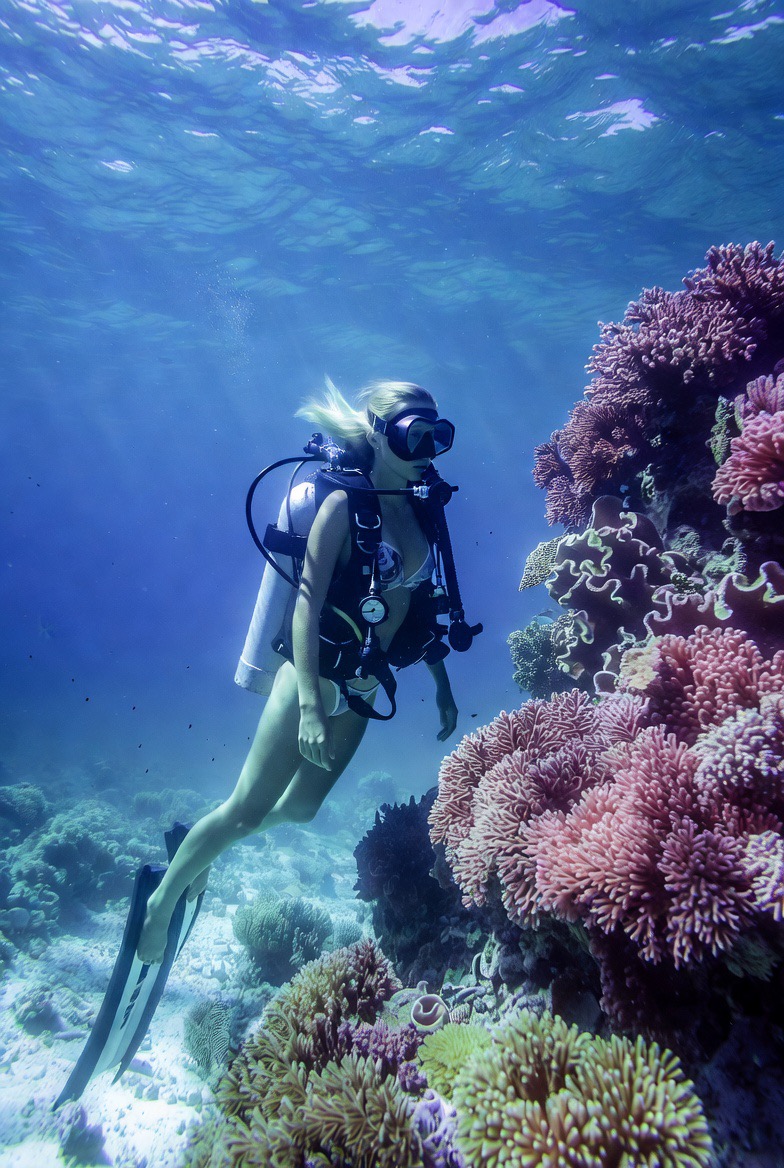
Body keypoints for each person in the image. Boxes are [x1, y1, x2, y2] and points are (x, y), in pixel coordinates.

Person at [137, 380, 460, 963]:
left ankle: (202, 848)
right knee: (245, 808)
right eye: (415, 434)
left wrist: (441, 685)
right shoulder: (343, 504)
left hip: (366, 683)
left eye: (438, 435)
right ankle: (163, 901)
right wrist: (310, 701)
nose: (428, 449)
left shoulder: (421, 512)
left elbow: (419, 606)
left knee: (304, 809)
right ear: (381, 432)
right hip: (313, 679)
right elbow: (307, 604)